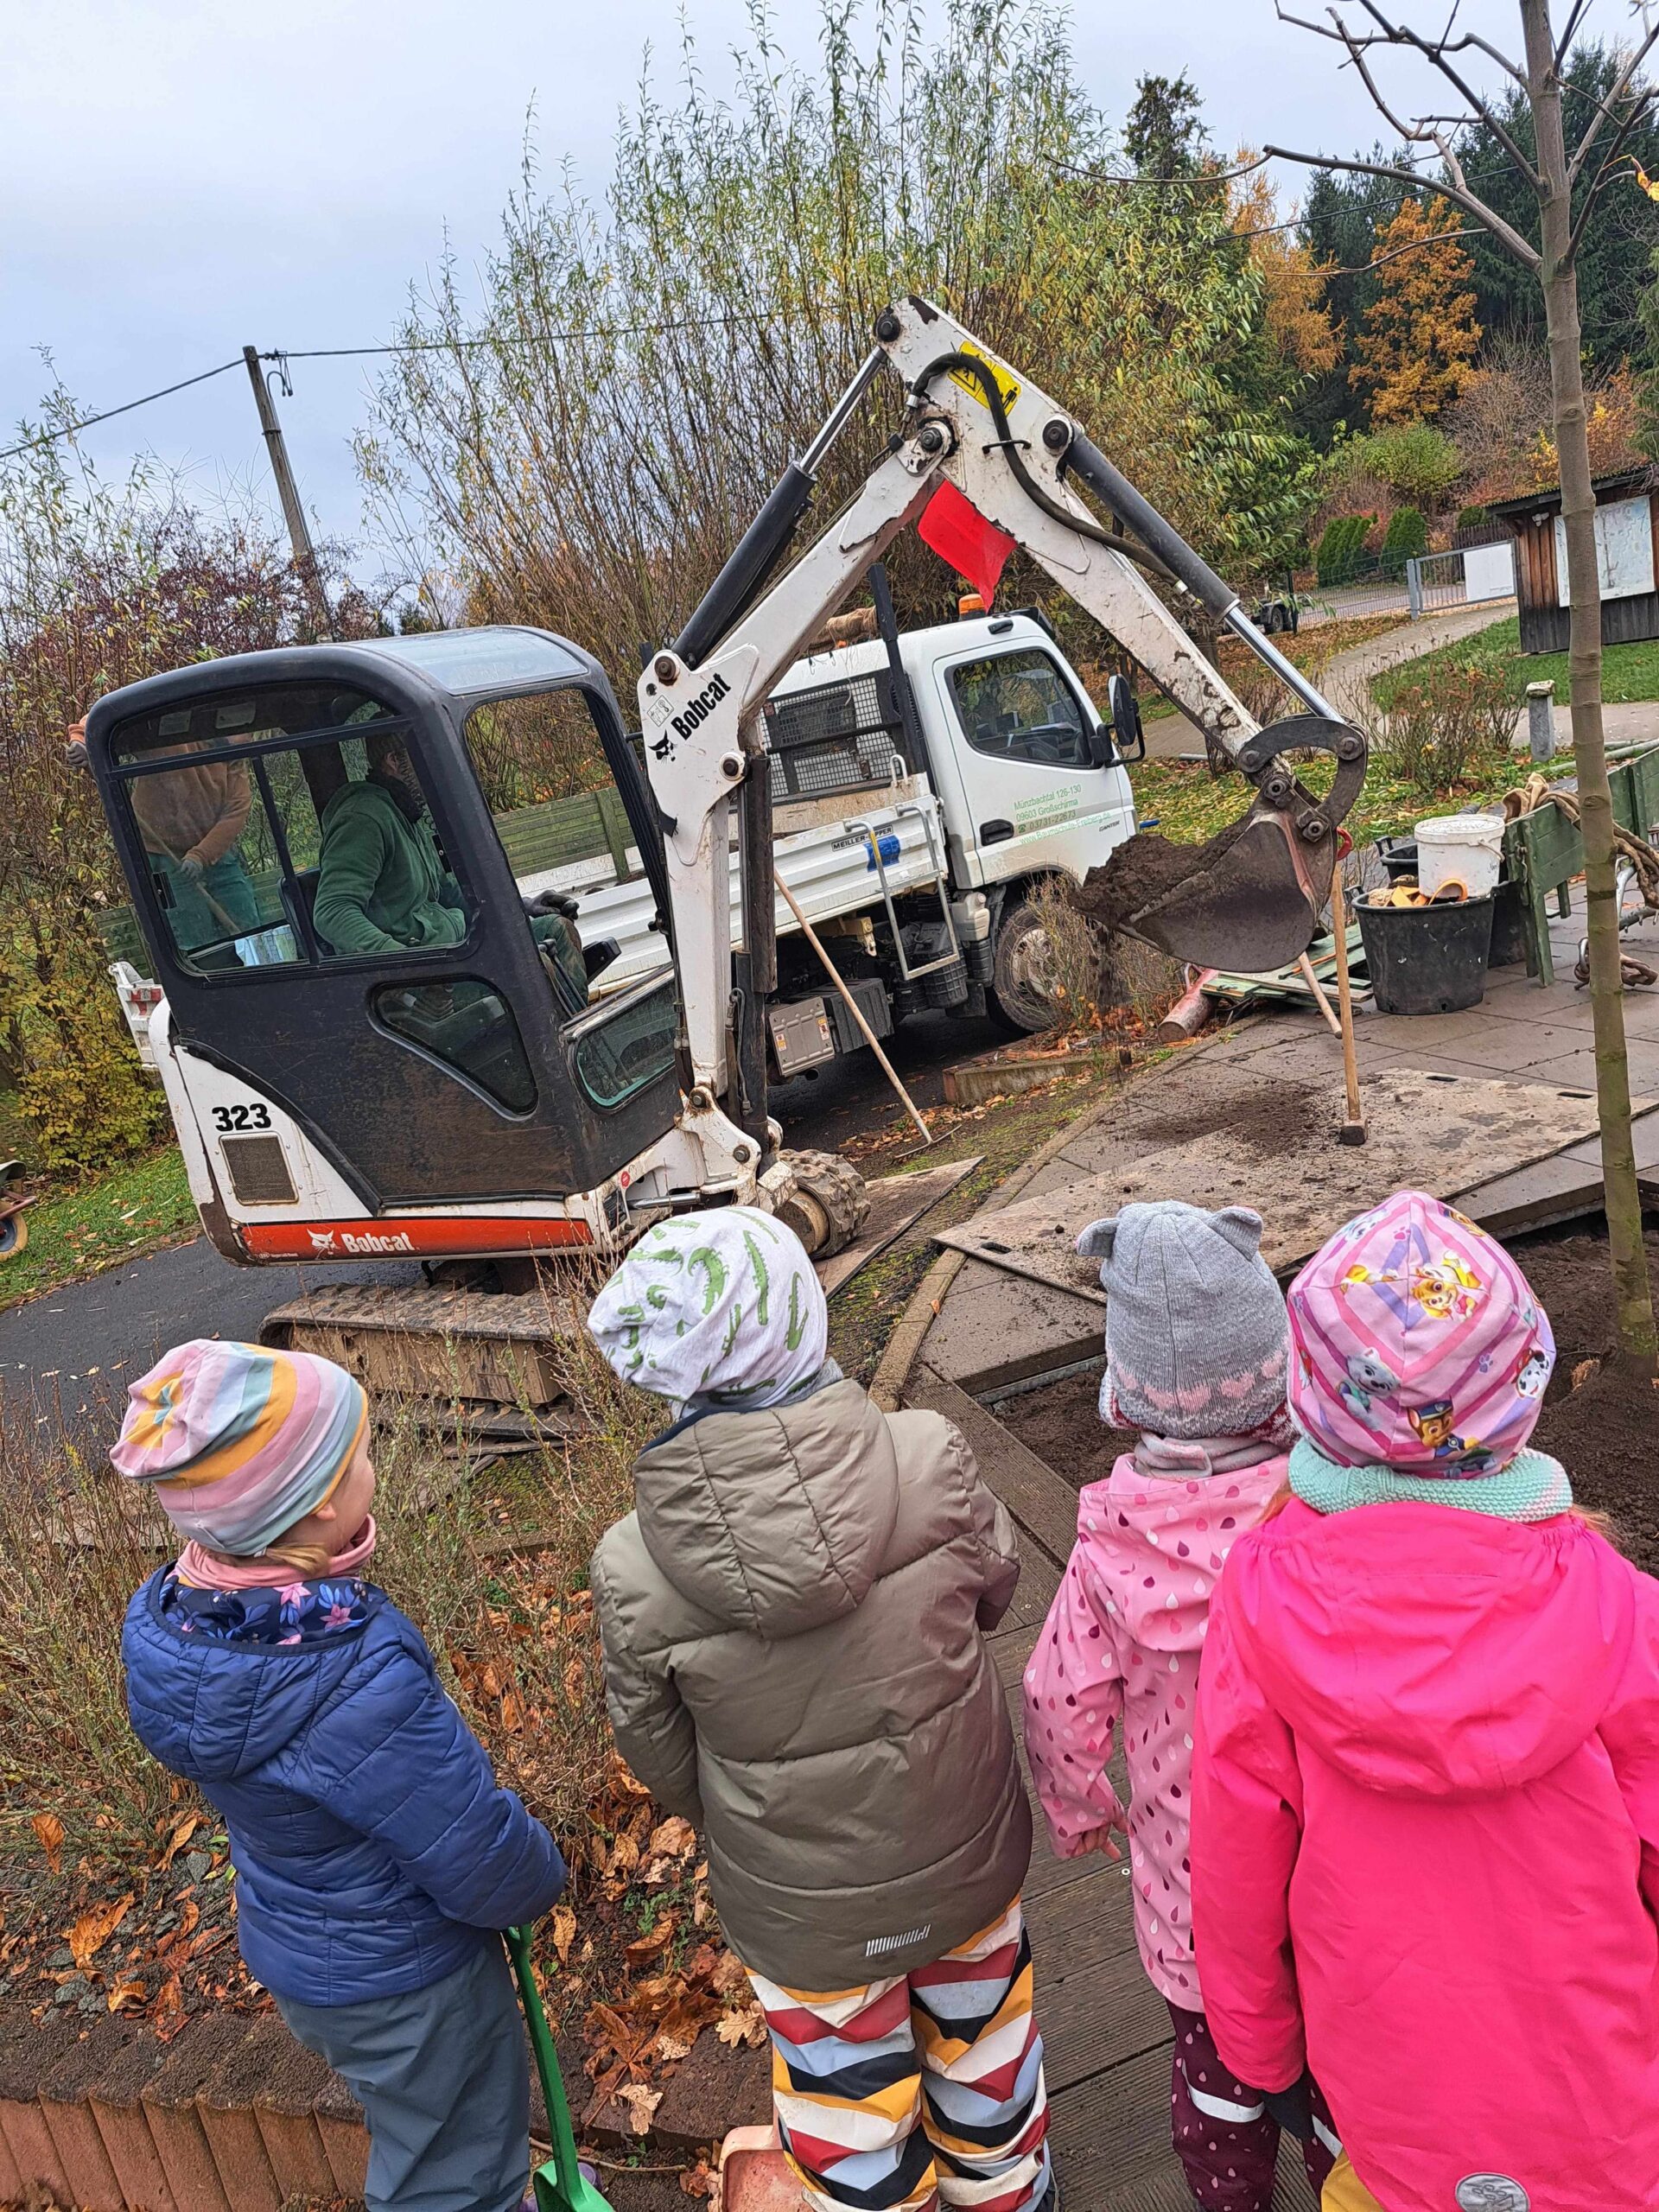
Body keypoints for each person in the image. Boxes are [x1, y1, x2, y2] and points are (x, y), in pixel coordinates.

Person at [1192, 1190, 1659, 2212]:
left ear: (1312, 1396)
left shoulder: (1261, 1603)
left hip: (1391, 2098)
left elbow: (1234, 1862)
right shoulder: (1621, 1608)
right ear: (1521, 1383)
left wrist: (1261, 2050)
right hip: (1605, 2099)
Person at [587, 1209, 1052, 2212]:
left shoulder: (633, 1564)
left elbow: (658, 1749)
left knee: (848, 2117)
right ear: (806, 1320)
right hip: (963, 1852)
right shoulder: (927, 1454)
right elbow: (997, 1589)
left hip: (799, 1907)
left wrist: (740, 1808)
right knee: (988, 2067)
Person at [117, 1340, 566, 2212]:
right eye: (360, 1453)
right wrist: (538, 1876)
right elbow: (471, 1847)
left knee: (422, 2131)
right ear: (321, 1501)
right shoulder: (350, 1673)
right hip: (409, 1978)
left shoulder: (187, 1626)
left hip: (307, 1955)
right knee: (455, 2171)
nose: (375, 1465)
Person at [1021, 1201, 1338, 2208]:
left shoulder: (1109, 1552)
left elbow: (1056, 1698)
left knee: (1217, 2084)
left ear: (1125, 1393)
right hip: (1330, 1880)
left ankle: (1230, 2192)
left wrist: (1080, 1810)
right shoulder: (1323, 1514)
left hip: (1193, 1896)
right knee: (1342, 2088)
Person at [315, 731, 587, 1005]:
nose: (433, 770)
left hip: (455, 950)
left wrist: (520, 907)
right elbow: (332, 911)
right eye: (424, 759)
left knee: (556, 930)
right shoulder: (363, 819)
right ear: (394, 761)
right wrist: (408, 969)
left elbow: (448, 893)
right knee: (535, 967)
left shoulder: (405, 814)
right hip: (430, 981)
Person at [70, 715, 262, 957]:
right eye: (242, 734)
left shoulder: (234, 761)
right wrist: (81, 740)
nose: (246, 739)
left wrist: (200, 856)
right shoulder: (173, 736)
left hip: (215, 854)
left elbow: (235, 813)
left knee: (249, 923)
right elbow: (104, 716)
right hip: (165, 854)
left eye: (248, 736)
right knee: (195, 937)